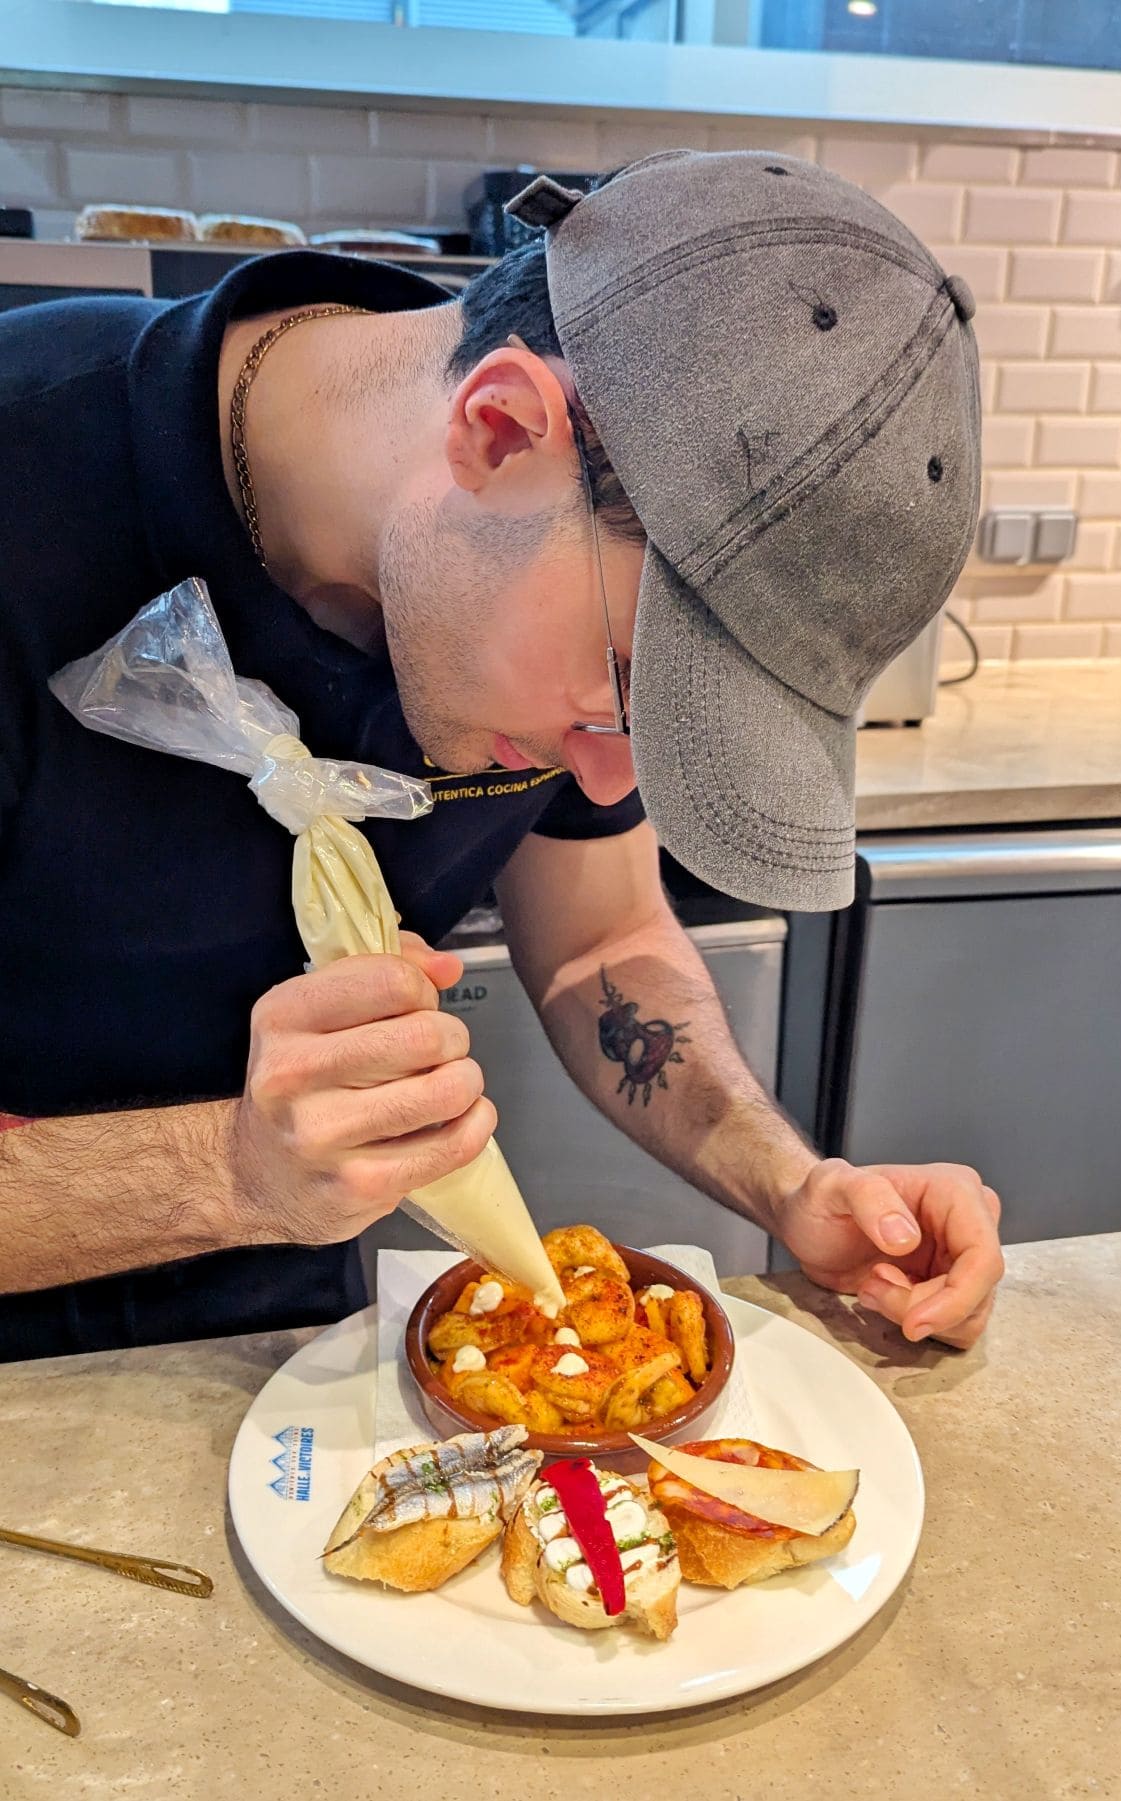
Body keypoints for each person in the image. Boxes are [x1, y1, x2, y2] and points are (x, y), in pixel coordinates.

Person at [0, 150, 1001, 1362]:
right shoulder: (29, 475)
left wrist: (790, 1184)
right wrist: (228, 1171)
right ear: (503, 426)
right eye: (630, 692)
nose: (602, 780)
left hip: (290, 1372)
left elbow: (602, 939)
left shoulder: (522, 577)